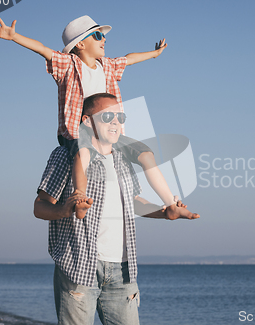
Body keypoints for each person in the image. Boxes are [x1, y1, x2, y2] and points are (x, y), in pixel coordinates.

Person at [0, 15, 177, 220]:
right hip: (77, 131)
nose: (104, 39)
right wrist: (15, 37)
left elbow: (129, 58)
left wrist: (155, 54)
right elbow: (43, 49)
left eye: (103, 36)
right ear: (80, 43)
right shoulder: (68, 64)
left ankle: (171, 203)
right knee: (83, 153)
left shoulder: (107, 66)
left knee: (146, 154)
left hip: (107, 132)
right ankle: (80, 200)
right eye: (97, 35)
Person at [34, 93, 199, 325]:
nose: (115, 121)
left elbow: (132, 202)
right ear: (86, 121)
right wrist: (65, 210)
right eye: (107, 116)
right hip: (80, 266)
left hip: (123, 270)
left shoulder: (122, 158)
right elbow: (40, 207)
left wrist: (165, 212)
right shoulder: (65, 156)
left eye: (120, 116)